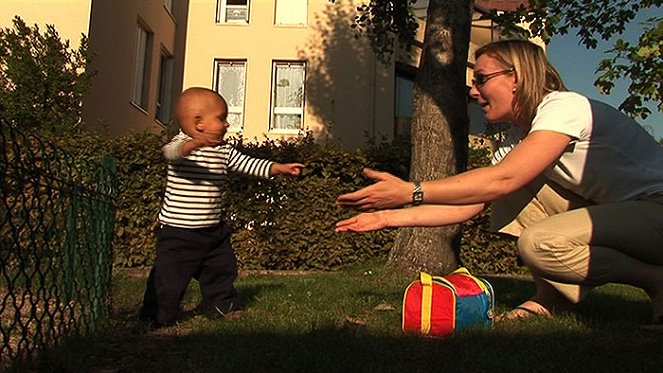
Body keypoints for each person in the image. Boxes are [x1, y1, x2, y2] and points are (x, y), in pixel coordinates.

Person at [336, 39, 663, 323]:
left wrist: (411, 190)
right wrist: (386, 216)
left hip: (655, 210)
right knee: (504, 184)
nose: (473, 91)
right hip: (621, 213)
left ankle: (657, 281)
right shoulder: (516, 139)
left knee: (538, 241)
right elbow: (470, 204)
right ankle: (553, 299)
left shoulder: (564, 107)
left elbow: (503, 178)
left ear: (516, 79)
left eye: (481, 79)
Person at [140, 87, 305, 327]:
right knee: (168, 278)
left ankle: (221, 306)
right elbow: (170, 153)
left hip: (212, 231)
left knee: (221, 270)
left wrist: (278, 168)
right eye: (221, 118)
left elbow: (248, 163)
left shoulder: (223, 150)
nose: (227, 124)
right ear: (199, 123)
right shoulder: (180, 145)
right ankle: (156, 317)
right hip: (178, 233)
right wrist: (193, 145)